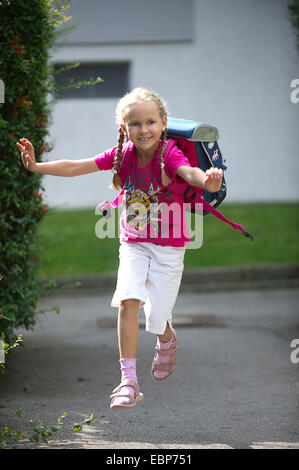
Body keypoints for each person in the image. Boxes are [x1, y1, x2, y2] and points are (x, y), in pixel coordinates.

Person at [17, 87, 223, 410]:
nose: (144, 130)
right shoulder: (123, 154)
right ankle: (129, 381)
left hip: (169, 248)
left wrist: (205, 181)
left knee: (156, 318)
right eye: (136, 124)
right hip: (134, 241)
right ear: (124, 128)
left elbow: (188, 172)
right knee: (128, 300)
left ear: (164, 123)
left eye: (151, 122)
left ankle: (167, 340)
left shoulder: (168, 153)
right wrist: (37, 167)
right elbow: (76, 166)